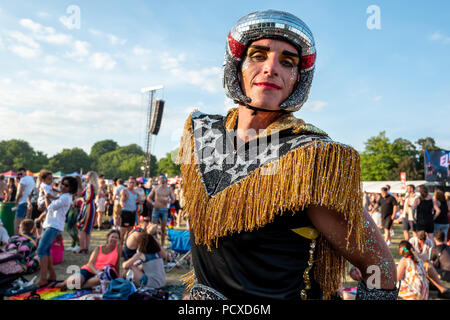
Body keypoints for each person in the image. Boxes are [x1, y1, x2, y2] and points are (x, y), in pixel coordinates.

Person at [176, 10, 397, 300]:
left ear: (297, 80)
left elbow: (381, 270)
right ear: (237, 64)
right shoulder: (202, 132)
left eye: (287, 62)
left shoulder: (312, 158)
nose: (271, 68)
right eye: (258, 55)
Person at [36, 176, 78, 287]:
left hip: (53, 226)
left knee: (41, 251)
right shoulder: (64, 195)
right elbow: (56, 196)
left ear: (71, 188)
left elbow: (49, 207)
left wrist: (46, 195)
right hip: (50, 224)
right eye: (62, 183)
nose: (63, 186)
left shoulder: (65, 198)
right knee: (46, 251)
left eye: (66, 185)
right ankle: (52, 275)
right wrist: (51, 192)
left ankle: (43, 278)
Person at [56, 229, 121, 291]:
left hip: (101, 275)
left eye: (116, 238)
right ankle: (63, 284)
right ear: (108, 238)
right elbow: (90, 263)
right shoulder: (99, 248)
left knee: (99, 280)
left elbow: (117, 265)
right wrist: (97, 272)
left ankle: (79, 286)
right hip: (89, 270)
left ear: (118, 240)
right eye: (112, 237)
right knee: (76, 281)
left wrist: (118, 278)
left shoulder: (118, 250)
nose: (114, 239)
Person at [148, 175, 175, 247]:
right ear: (158, 180)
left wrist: (168, 201)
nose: (162, 180)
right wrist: (153, 203)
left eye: (163, 179)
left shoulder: (169, 189)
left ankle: (162, 245)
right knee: (154, 228)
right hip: (156, 209)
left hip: (164, 209)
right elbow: (149, 198)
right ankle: (154, 243)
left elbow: (173, 199)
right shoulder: (155, 188)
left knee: (163, 228)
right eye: (160, 179)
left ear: (166, 180)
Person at [76, 171, 98, 254]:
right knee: (87, 229)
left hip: (87, 208)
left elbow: (87, 199)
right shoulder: (93, 186)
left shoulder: (89, 186)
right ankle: (85, 248)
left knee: (82, 227)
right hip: (91, 207)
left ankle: (82, 248)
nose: (85, 177)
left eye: (87, 176)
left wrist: (79, 199)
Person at [14, 168, 35, 235]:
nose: (19, 175)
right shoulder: (30, 178)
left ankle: (16, 238)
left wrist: (16, 201)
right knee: (26, 223)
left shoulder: (23, 179)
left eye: (21, 174)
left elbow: (20, 192)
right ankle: (25, 238)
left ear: (24, 173)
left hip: (22, 202)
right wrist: (17, 182)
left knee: (17, 222)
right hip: (29, 202)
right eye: (18, 174)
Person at [66, 175, 83, 252]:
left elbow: (78, 199)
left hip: (76, 209)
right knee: (70, 227)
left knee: (72, 227)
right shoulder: (73, 189)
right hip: (72, 208)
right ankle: (73, 244)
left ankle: (77, 244)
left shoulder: (79, 189)